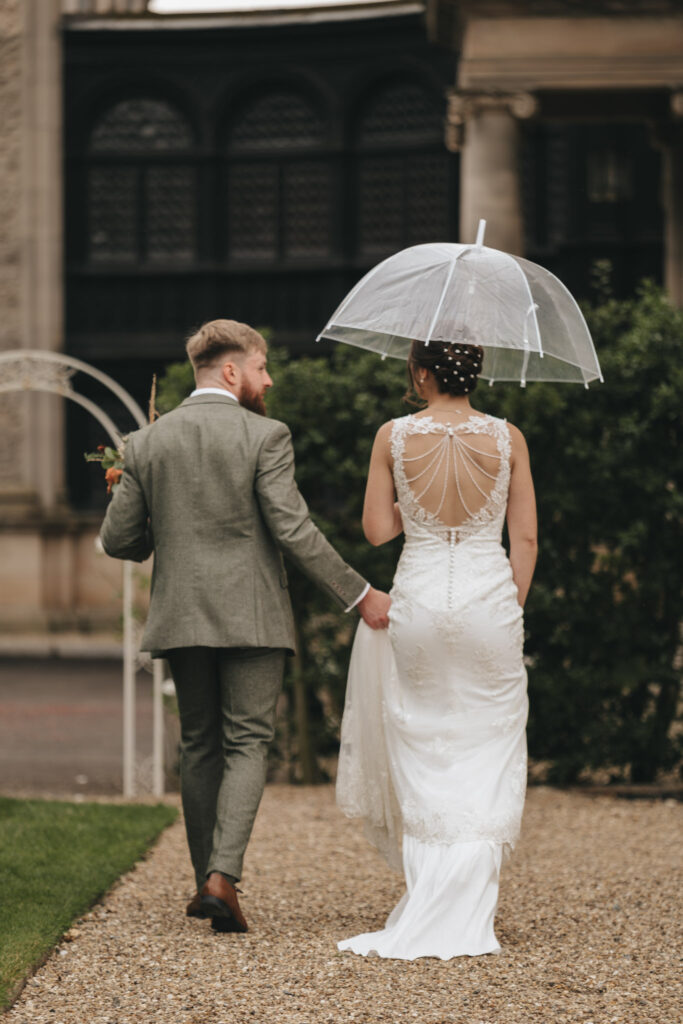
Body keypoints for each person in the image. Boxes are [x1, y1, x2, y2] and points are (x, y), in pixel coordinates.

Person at [100, 319, 390, 934]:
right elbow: (292, 529)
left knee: (198, 744)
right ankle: (221, 879)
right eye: (262, 368)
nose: (269, 380)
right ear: (231, 372)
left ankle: (209, 880)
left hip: (180, 612)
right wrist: (359, 593)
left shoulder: (146, 442)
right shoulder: (266, 435)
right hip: (252, 614)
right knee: (249, 741)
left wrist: (144, 503)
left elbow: (119, 541)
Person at [336, 339, 537, 959]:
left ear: (421, 373)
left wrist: (410, 506)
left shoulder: (391, 436)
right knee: (489, 739)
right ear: (475, 373)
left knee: (423, 739)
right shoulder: (509, 439)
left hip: (419, 601)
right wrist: (511, 607)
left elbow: (376, 531)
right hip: (488, 602)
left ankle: (429, 898)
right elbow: (524, 537)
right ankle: (469, 905)